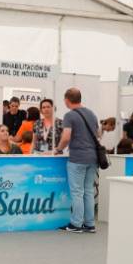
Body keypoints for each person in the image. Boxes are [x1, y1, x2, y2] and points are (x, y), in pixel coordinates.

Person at [54, 87, 99, 234]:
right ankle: (90, 224)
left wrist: (58, 149)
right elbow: (98, 134)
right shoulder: (91, 114)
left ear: (67, 100)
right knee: (88, 191)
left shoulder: (70, 115)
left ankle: (76, 224)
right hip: (93, 157)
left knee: (77, 192)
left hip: (78, 158)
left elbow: (66, 137)